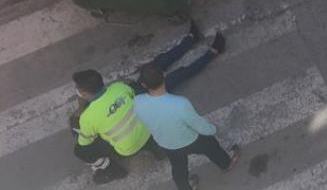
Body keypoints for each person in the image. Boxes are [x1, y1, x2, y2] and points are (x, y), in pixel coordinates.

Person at [70, 22, 226, 184]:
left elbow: (84, 144)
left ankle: (107, 168)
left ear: (84, 92)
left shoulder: (87, 118)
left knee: (79, 149)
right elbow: (132, 92)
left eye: (78, 89)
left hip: (130, 146)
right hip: (148, 125)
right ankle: (195, 42)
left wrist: (82, 109)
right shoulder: (118, 88)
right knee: (162, 70)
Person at [134, 62, 240, 190]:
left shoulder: (137, 101)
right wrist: (212, 129)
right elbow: (199, 125)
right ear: (164, 75)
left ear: (143, 84)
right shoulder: (180, 103)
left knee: (178, 169)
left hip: (166, 143)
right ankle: (226, 164)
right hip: (190, 139)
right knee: (212, 146)